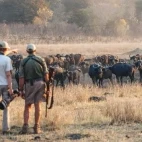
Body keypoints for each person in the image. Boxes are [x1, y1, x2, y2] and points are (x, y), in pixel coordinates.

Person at [18, 44, 49, 134]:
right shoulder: (41, 59)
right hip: (40, 84)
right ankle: (36, 127)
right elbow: (46, 75)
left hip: (29, 84)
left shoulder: (23, 61)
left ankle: (25, 127)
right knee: (37, 105)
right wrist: (47, 87)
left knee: (27, 106)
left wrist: (20, 89)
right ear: (35, 50)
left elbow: (21, 78)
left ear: (27, 51)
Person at [0, 41, 13, 134]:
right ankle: (5, 128)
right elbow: (8, 75)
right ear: (5, 49)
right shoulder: (7, 59)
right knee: (6, 106)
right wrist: (11, 88)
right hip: (4, 85)